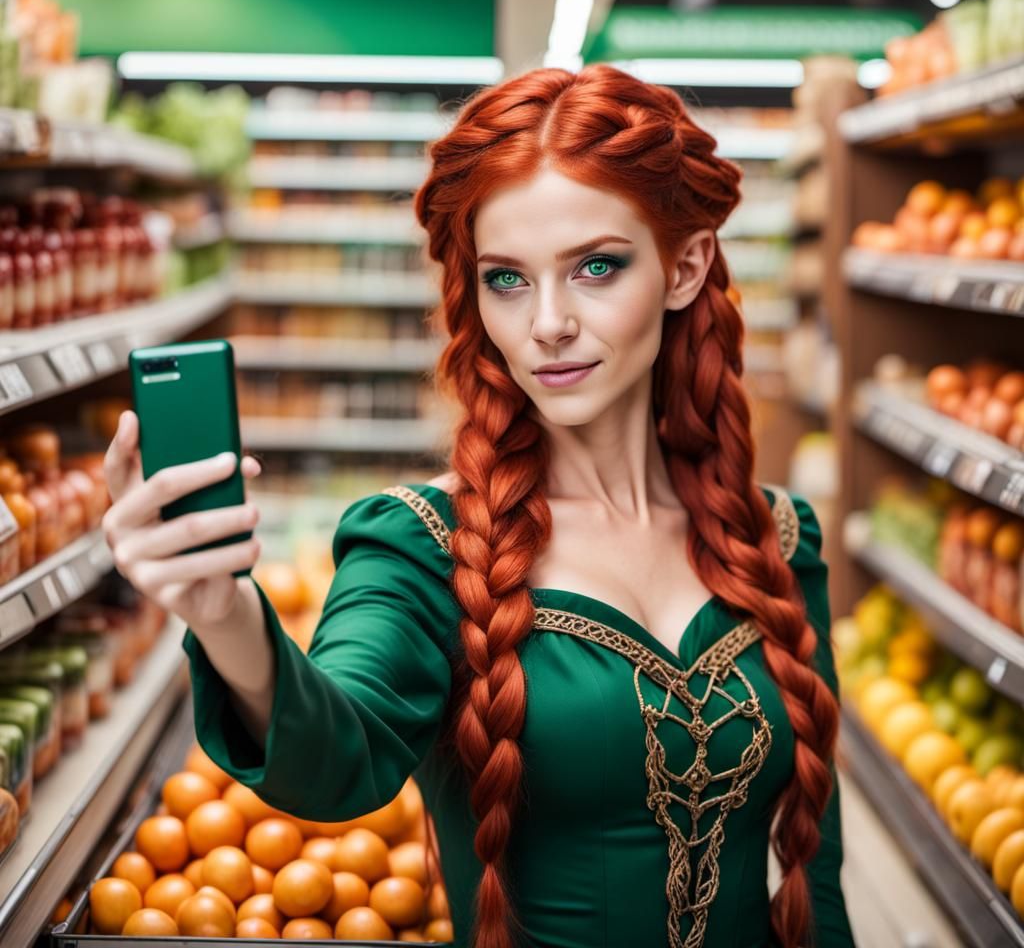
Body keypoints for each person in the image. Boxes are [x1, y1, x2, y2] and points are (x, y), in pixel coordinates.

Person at [102, 63, 854, 948]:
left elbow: (820, 882)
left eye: (596, 268)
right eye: (508, 279)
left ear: (684, 267)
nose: (548, 323)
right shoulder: (420, 548)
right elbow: (337, 762)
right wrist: (224, 615)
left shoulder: (780, 541)